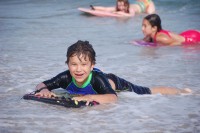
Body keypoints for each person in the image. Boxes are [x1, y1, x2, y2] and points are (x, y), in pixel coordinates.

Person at [35, 40, 191, 105]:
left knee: (146, 91)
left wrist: (90, 97)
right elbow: (43, 83)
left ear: (92, 65)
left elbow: (113, 98)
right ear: (67, 64)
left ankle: (182, 91)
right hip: (98, 86)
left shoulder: (96, 79)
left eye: (84, 64)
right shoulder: (65, 77)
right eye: (73, 64)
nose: (78, 69)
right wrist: (44, 90)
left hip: (114, 83)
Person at [90, 0, 155, 17]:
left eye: (122, 6)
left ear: (126, 5)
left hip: (147, 3)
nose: (120, 7)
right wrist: (94, 8)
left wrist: (119, 13)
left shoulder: (130, 9)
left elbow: (131, 15)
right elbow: (106, 9)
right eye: (119, 6)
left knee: (149, 14)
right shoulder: (118, 8)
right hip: (140, 1)